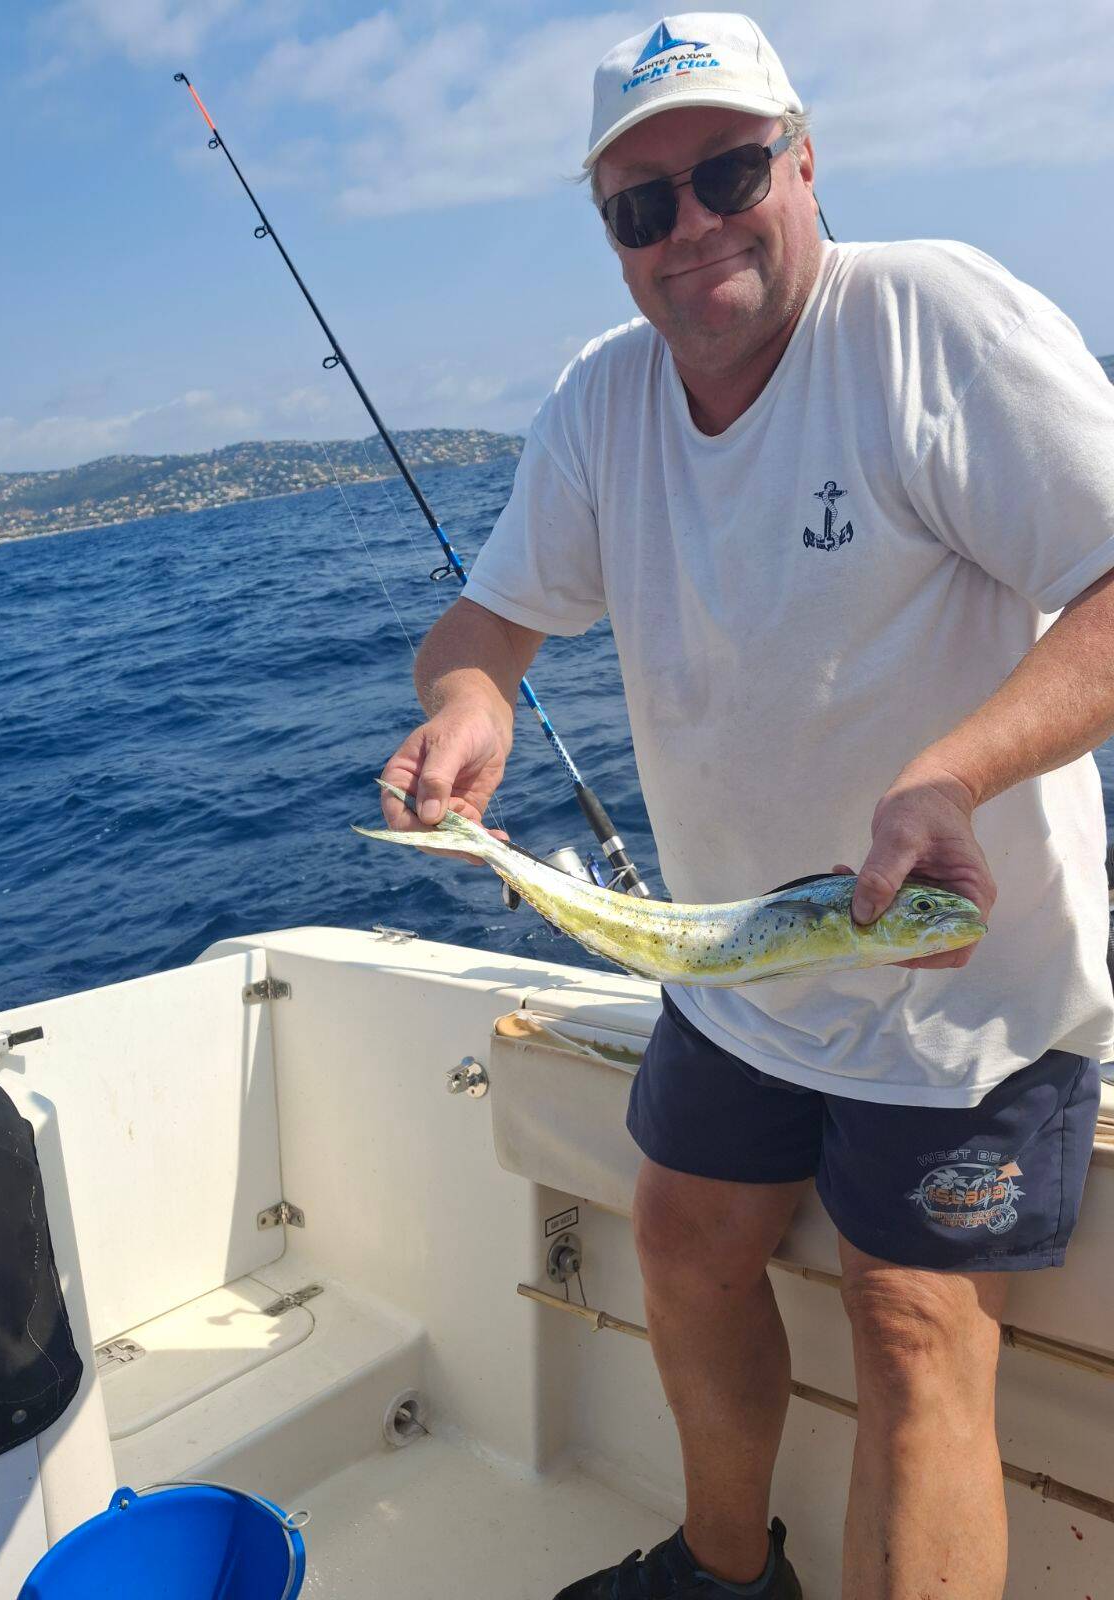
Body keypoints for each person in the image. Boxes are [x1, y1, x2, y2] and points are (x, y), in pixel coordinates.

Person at [380, 13, 1114, 1599]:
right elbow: (485, 625)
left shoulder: (936, 324)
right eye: (642, 205)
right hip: (739, 968)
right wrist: (472, 702)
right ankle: (723, 1577)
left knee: (912, 1327)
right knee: (684, 1242)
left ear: (804, 160)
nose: (692, 225)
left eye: (726, 173)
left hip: (958, 976)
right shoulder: (602, 404)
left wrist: (953, 776)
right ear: (611, 232)